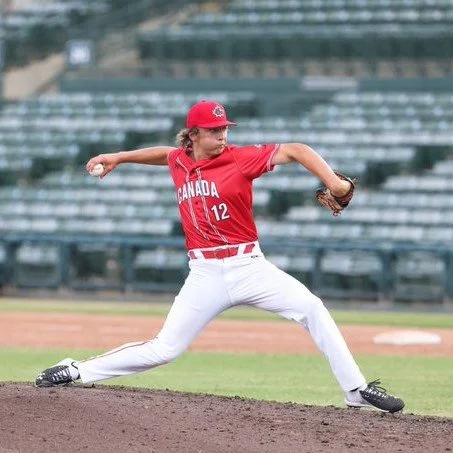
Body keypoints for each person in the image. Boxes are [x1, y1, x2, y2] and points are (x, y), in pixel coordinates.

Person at [35, 100, 404, 413]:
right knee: (165, 349)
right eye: (214, 130)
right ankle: (77, 370)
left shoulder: (240, 159)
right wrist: (120, 157)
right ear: (193, 135)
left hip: (249, 267)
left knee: (312, 308)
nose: (223, 135)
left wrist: (335, 182)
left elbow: (296, 150)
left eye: (224, 128)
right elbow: (165, 154)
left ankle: (356, 390)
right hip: (205, 273)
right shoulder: (180, 161)